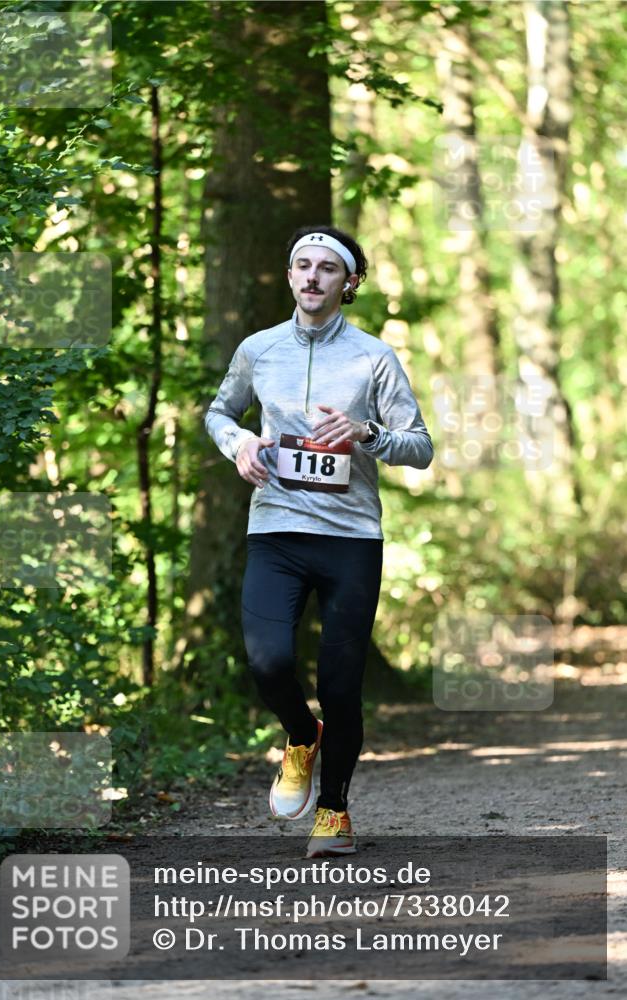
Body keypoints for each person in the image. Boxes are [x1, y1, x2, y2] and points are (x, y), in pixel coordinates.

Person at [204, 225, 433, 858]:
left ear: (348, 282)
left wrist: (367, 432)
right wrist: (241, 443)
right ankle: (301, 737)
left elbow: (420, 448)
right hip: (275, 528)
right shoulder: (259, 349)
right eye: (301, 265)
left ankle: (333, 811)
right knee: (268, 661)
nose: (311, 277)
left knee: (341, 681)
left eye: (326, 269)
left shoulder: (373, 358)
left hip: (351, 538)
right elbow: (219, 412)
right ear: (288, 275)